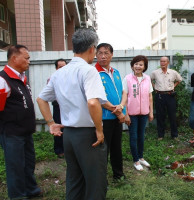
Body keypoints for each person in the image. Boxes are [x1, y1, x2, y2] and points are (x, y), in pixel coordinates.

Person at [37, 28, 108, 200]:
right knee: (96, 182)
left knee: (74, 180)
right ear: (92, 48)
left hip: (68, 135)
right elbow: (93, 102)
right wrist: (99, 129)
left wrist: (50, 123)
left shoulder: (60, 72)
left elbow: (41, 99)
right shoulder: (89, 71)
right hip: (87, 135)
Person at [0, 45, 42, 199]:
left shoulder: (22, 78)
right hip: (12, 133)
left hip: (25, 131)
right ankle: (18, 195)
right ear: (14, 58)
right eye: (26, 58)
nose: (28, 61)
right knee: (15, 166)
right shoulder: (3, 79)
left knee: (29, 163)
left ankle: (30, 189)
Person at [95, 43, 126, 180]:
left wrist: (122, 107)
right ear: (96, 55)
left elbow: (123, 92)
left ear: (112, 55)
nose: (103, 56)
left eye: (106, 53)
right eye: (100, 53)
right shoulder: (94, 73)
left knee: (116, 148)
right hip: (103, 119)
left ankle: (118, 175)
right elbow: (98, 99)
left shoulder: (116, 73)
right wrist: (119, 112)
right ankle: (101, 179)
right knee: (102, 151)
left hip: (117, 118)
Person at [123, 55, 154, 171]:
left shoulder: (147, 78)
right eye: (136, 64)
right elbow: (124, 96)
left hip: (144, 112)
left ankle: (141, 157)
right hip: (132, 113)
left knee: (141, 136)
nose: (138, 66)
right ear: (132, 66)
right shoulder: (127, 78)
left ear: (144, 66)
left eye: (141, 64)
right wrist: (125, 114)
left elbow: (150, 96)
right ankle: (135, 161)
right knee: (133, 136)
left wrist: (151, 112)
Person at [150, 56, 182, 140]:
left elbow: (179, 80)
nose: (162, 63)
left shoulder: (173, 72)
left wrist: (173, 86)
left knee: (172, 116)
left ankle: (174, 135)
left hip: (170, 95)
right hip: (159, 95)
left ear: (168, 63)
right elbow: (149, 80)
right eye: (161, 61)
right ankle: (160, 135)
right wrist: (154, 87)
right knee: (160, 116)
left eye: (164, 61)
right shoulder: (155, 73)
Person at [52, 59, 67, 158]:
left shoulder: (70, 78)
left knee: (68, 128)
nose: (63, 69)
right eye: (60, 67)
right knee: (58, 127)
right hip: (58, 106)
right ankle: (59, 149)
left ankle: (67, 148)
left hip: (68, 107)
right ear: (56, 68)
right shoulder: (52, 79)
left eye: (64, 66)